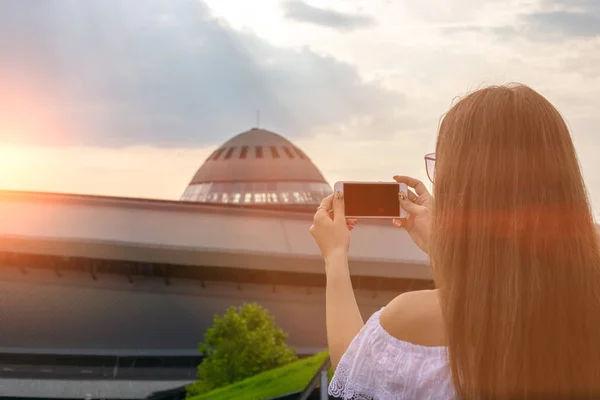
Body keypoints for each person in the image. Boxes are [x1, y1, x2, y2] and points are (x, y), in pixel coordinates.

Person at [310, 84, 600, 399]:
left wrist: (334, 256)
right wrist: (447, 249)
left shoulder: (410, 319)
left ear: (461, 185)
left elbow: (354, 372)